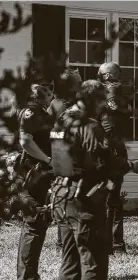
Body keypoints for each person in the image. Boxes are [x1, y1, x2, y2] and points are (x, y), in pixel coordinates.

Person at [50, 80, 138, 280]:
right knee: (94, 260)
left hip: (62, 196)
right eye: (101, 99)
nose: (103, 104)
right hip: (83, 198)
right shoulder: (88, 125)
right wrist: (130, 166)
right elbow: (102, 162)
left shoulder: (62, 120)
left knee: (70, 260)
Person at [16, 76, 54, 280]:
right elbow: (26, 141)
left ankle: (29, 274)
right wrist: (48, 159)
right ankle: (27, 276)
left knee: (38, 223)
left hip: (39, 171)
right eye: (49, 88)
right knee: (34, 222)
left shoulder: (39, 111)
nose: (52, 92)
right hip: (33, 173)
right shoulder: (31, 112)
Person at [97, 62, 131, 254]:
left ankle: (112, 244)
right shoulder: (111, 95)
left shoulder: (109, 96)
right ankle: (112, 243)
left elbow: (111, 127)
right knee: (110, 201)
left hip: (108, 154)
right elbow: (111, 127)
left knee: (110, 201)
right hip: (110, 154)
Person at [48, 68, 82, 251]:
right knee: (67, 199)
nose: (81, 86)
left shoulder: (56, 103)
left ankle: (63, 241)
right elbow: (57, 135)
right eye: (78, 83)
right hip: (64, 159)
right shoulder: (63, 107)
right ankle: (65, 243)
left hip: (60, 158)